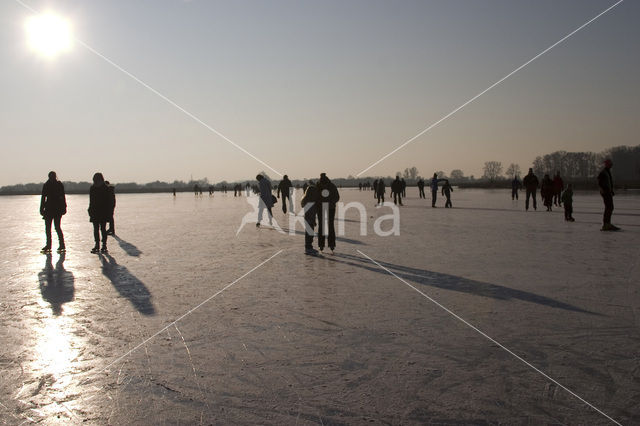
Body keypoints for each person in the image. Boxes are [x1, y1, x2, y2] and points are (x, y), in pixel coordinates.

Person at [39, 171, 66, 253]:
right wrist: (41, 208)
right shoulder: (46, 185)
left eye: (53, 176)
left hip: (57, 209)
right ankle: (48, 245)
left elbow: (63, 196)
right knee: (48, 228)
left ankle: (62, 244)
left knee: (57, 227)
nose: (52, 178)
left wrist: (64, 207)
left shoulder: (59, 185)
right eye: (50, 176)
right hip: (49, 209)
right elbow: (43, 197)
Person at [88, 172, 114, 253]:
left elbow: (110, 202)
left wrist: (109, 213)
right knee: (96, 229)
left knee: (102, 229)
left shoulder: (106, 189)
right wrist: (90, 210)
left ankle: (104, 245)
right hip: (95, 212)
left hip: (103, 212)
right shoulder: (92, 188)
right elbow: (91, 201)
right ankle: (97, 245)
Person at [316, 173, 340, 253]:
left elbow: (336, 197)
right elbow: (337, 197)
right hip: (329, 207)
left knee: (323, 226)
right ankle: (330, 245)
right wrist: (331, 202)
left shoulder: (318, 186)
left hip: (324, 207)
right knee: (329, 226)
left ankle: (321, 245)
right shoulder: (330, 185)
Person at [598, 159, 619, 231]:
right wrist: (603, 189)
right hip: (605, 193)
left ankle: (607, 223)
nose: (611, 165)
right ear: (607, 164)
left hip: (608, 192)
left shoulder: (607, 172)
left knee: (610, 207)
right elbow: (599, 181)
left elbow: (609, 182)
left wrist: (611, 190)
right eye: (610, 164)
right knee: (609, 207)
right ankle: (606, 224)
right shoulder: (603, 172)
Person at [301, 180, 319, 255]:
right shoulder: (310, 201)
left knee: (309, 234)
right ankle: (308, 248)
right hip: (309, 219)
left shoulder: (306, 200)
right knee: (309, 234)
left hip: (308, 219)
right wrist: (313, 220)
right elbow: (310, 212)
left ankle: (309, 247)